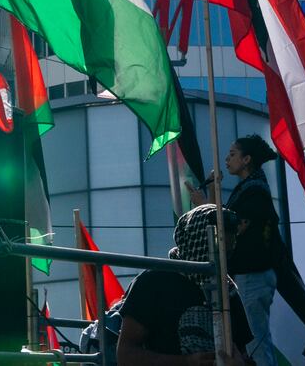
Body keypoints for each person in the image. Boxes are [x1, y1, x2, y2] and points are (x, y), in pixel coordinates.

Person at [119, 204, 253, 366]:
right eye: (219, 252)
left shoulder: (228, 291)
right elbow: (126, 355)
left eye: (229, 253)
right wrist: (186, 362)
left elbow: (242, 353)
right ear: (196, 241)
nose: (223, 261)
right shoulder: (154, 283)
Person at [223, 134, 284, 366]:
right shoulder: (253, 188)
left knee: (254, 342)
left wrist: (204, 206)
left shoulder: (253, 191)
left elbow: (237, 227)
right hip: (251, 275)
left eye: (232, 154)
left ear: (247, 159)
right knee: (252, 341)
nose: (227, 159)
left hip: (252, 275)